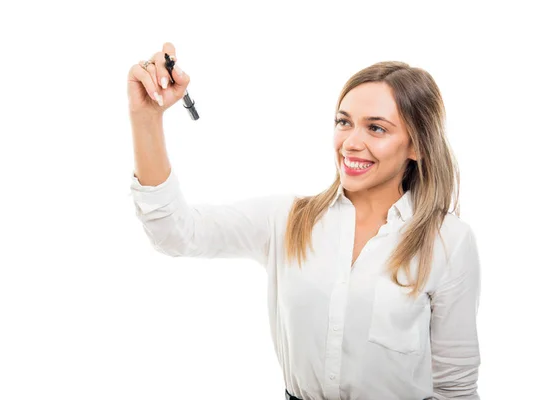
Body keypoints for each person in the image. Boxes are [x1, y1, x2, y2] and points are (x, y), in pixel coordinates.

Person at [127, 42, 481, 400]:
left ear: (416, 146)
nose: (351, 143)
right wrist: (146, 118)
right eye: (344, 122)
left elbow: (456, 388)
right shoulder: (288, 220)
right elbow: (174, 232)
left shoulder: (449, 242)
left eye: (376, 129)